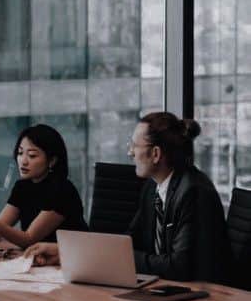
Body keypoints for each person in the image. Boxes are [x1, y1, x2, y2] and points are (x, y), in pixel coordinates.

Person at [26, 111, 227, 282]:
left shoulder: (194, 192)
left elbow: (179, 266)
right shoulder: (152, 188)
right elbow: (128, 241)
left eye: (134, 145)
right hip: (164, 288)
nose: (130, 152)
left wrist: (121, 258)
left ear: (155, 154)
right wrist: (65, 252)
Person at [0, 123, 87, 251]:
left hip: (74, 260)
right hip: (39, 260)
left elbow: (28, 239)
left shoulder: (62, 190)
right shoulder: (22, 187)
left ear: (52, 161)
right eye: (20, 153)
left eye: (32, 155)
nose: (23, 161)